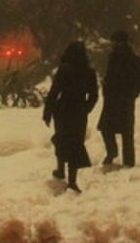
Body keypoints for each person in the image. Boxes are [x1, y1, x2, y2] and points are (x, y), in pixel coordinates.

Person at [42, 40, 98, 192]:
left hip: (63, 109)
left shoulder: (64, 69)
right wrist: (86, 108)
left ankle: (60, 168)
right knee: (76, 143)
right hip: (79, 111)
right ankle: (72, 180)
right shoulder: (89, 71)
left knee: (61, 139)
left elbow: (54, 91)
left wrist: (47, 112)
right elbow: (94, 95)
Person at [97, 30, 140, 167]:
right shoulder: (132, 59)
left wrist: (129, 92)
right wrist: (133, 93)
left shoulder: (118, 57)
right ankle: (128, 161)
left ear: (118, 42)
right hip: (123, 100)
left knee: (107, 128)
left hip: (116, 100)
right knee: (125, 132)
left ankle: (113, 152)